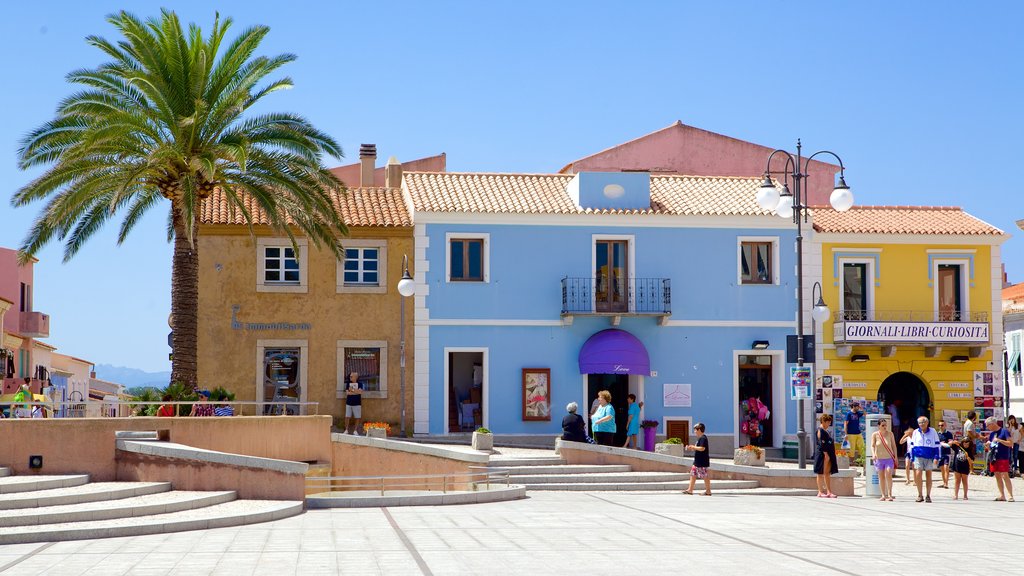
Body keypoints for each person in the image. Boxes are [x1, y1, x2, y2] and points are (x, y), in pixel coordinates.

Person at [911, 416, 941, 503]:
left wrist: (936, 457)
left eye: (923, 422)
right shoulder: (916, 432)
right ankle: (920, 494)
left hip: (929, 455)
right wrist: (912, 458)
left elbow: (937, 445)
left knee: (928, 475)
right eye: (920, 422)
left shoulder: (933, 431)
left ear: (927, 423)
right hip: (918, 455)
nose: (922, 424)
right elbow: (912, 446)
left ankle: (928, 495)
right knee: (918, 473)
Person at [984, 416, 1015, 502]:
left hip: (1003, 457)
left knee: (1005, 475)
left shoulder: (1004, 431)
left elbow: (1010, 443)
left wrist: (999, 440)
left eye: (988, 425)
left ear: (993, 424)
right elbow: (991, 447)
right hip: (994, 457)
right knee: (997, 475)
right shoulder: (992, 434)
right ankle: (1002, 495)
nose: (987, 427)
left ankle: (1010, 495)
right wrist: (988, 446)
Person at [871, 418, 897, 501]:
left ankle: (890, 494)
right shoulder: (875, 434)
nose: (885, 427)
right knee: (881, 477)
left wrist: (895, 456)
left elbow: (893, 446)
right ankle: (883, 495)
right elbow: (872, 445)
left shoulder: (890, 434)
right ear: (878, 426)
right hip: (879, 459)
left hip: (889, 458)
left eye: (886, 425)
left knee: (888, 474)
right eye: (883, 425)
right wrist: (873, 454)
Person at [683, 422, 711, 496]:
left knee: (705, 476)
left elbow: (702, 448)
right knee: (693, 474)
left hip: (702, 461)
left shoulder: (703, 438)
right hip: (697, 461)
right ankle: (690, 490)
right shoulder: (700, 439)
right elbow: (698, 448)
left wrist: (693, 447)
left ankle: (708, 491)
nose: (694, 432)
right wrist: (692, 448)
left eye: (695, 430)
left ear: (699, 430)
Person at [814, 414, 838, 498]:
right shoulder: (820, 430)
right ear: (823, 422)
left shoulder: (825, 430)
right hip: (823, 455)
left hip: (828, 453)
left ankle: (829, 491)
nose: (828, 424)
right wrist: (826, 454)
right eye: (828, 422)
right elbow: (821, 443)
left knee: (827, 473)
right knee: (820, 473)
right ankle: (820, 491)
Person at [936, 421, 954, 489]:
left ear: (945, 425)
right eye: (939, 425)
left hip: (947, 453)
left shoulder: (948, 434)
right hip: (940, 453)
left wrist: (945, 443)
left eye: (942, 425)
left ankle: (946, 483)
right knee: (942, 469)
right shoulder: (937, 434)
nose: (940, 426)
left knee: (946, 468)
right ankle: (944, 482)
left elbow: (950, 443)